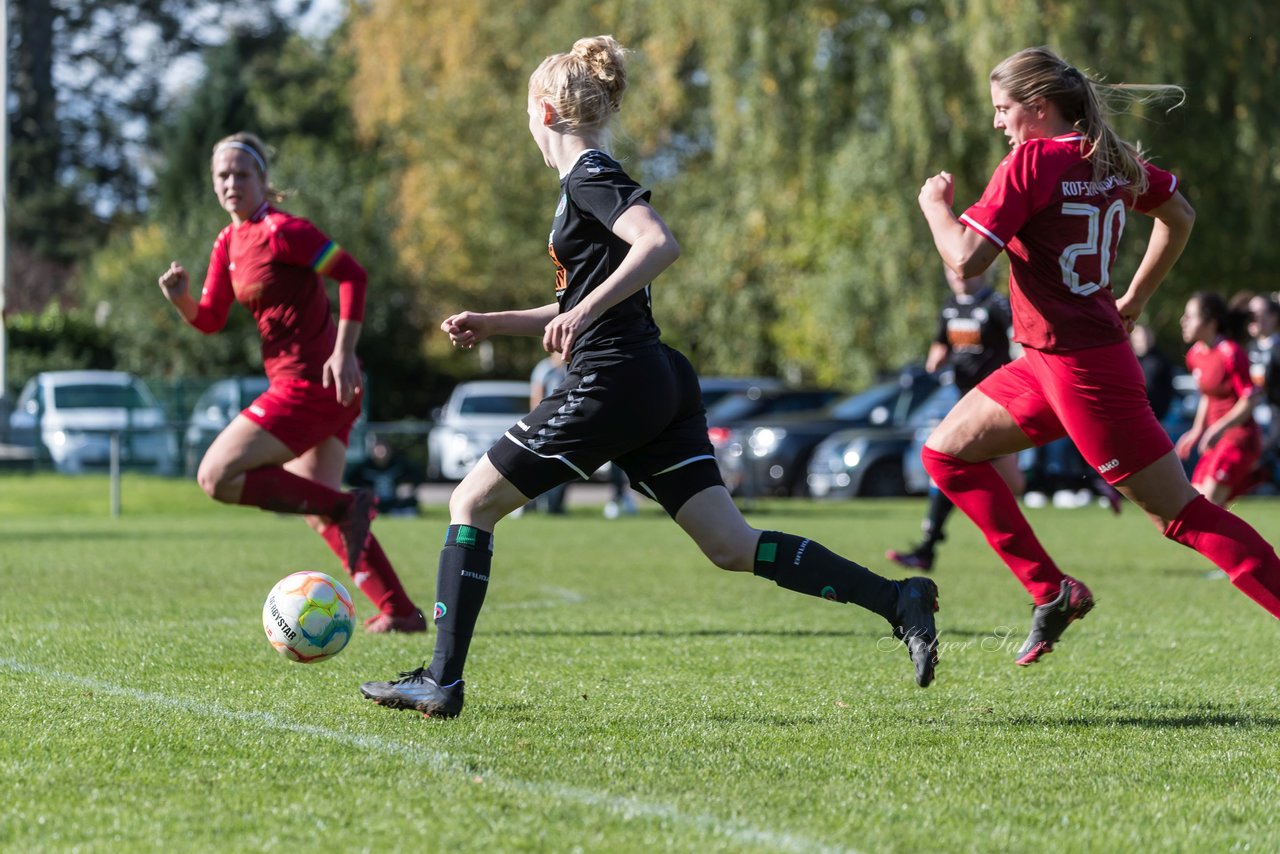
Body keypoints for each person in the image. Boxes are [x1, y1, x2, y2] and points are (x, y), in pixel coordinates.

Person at [359, 35, 940, 718]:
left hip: (614, 380)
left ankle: (441, 679)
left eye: (523, 112)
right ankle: (898, 600)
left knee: (470, 503)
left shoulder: (589, 175)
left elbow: (658, 243)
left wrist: (583, 314)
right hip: (655, 377)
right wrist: (496, 322)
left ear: (544, 113)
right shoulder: (586, 181)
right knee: (731, 545)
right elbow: (590, 296)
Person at [916, 46, 1280, 667]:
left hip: (1086, 371)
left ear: (1037, 107)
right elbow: (1180, 215)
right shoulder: (1103, 156)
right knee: (944, 453)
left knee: (1183, 515)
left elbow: (966, 260)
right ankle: (1051, 591)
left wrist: (934, 206)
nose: (997, 123)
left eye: (1003, 110)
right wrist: (1135, 296)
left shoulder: (1033, 161)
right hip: (1044, 362)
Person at [158, 131, 426, 634]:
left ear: (262, 180)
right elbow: (211, 319)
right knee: (319, 508)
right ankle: (400, 611)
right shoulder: (227, 242)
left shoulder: (285, 231)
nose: (232, 182)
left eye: (242, 173)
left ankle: (350, 505)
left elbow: (353, 276)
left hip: (316, 384)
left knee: (215, 476)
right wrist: (180, 300)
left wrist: (344, 351)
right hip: (310, 388)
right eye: (223, 175)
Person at [887, 266, 1020, 570]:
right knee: (955, 465)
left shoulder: (996, 305)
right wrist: (931, 365)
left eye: (965, 269)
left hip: (993, 399)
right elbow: (940, 348)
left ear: (982, 270)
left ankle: (928, 547)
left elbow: (1019, 343)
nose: (958, 275)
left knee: (1008, 481)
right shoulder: (949, 307)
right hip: (964, 400)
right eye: (950, 269)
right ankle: (927, 547)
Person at [1175, 292, 1260, 506]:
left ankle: (1260, 473)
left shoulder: (1230, 353)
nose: (1183, 321)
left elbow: (1249, 400)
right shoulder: (1195, 355)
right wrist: (1197, 431)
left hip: (1239, 438)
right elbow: (1207, 395)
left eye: (1190, 316)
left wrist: (1217, 429)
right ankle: (1258, 476)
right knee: (1195, 503)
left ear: (1210, 322)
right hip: (1217, 439)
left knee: (1209, 503)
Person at [525, 351, 571, 514]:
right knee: (539, 465)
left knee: (564, 466)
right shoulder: (544, 368)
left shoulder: (569, 367)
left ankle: (556, 506)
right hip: (547, 424)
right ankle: (532, 504)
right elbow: (536, 396)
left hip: (565, 424)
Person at [348, 436, 421, 516]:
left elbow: (418, 474)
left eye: (383, 449)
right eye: (378, 449)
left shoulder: (399, 464)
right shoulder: (365, 466)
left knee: (411, 503)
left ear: (389, 450)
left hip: (395, 500)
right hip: (374, 501)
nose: (381, 452)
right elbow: (351, 479)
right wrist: (364, 488)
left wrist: (409, 486)